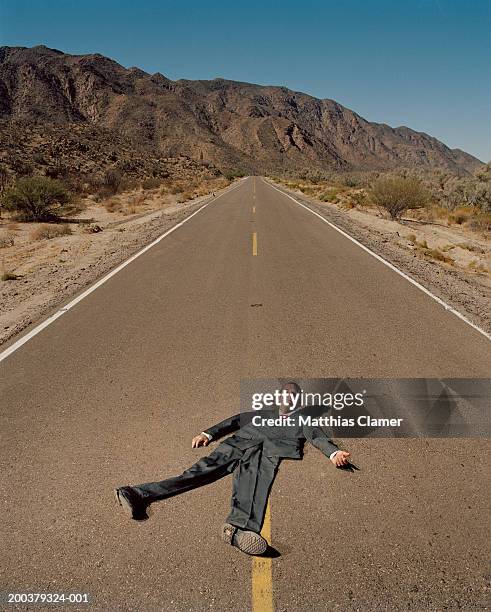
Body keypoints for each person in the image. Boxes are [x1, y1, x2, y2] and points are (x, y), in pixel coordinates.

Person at [115, 383, 351, 555]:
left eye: (293, 396)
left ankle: (237, 531)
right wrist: (208, 433)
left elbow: (316, 437)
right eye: (285, 394)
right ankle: (138, 494)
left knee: (253, 488)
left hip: (266, 453)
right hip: (238, 444)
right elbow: (234, 421)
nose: (288, 398)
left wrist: (333, 453)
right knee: (196, 473)